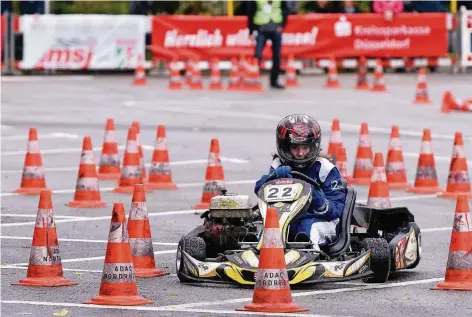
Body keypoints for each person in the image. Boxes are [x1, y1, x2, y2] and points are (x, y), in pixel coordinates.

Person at [254, 114, 347, 251]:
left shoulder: (325, 168)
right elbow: (259, 189)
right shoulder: (278, 164)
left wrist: (316, 198)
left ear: (313, 146)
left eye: (305, 148)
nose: (300, 153)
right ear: (285, 146)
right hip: (287, 218)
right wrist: (273, 177)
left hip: (320, 221)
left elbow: (336, 210)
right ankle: (259, 256)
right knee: (268, 232)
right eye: (295, 148)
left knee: (307, 233)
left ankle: (310, 259)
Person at [247, 0, 290, 89]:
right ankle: (252, 78)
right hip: (261, 29)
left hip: (275, 29)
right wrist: (251, 30)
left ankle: (274, 81)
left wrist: (282, 25)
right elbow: (250, 12)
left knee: (277, 57)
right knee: (257, 55)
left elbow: (285, 10)